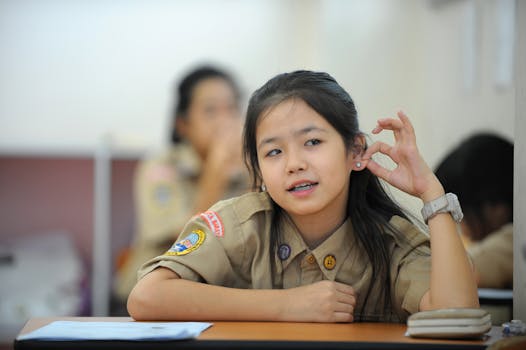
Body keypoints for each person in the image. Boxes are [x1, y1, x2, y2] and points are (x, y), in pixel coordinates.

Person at [127, 70, 479, 323]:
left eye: (312, 142)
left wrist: (432, 195)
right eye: (273, 152)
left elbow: (457, 314)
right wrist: (286, 305)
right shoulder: (239, 225)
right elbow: (146, 297)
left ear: (356, 150)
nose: (294, 164)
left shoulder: (391, 240)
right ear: (258, 167)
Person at [114, 65, 250, 303]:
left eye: (232, 109)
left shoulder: (249, 165)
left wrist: (256, 169)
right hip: (147, 298)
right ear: (183, 124)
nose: (225, 122)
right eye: (210, 111)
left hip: (217, 298)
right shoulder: (160, 167)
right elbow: (187, 239)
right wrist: (215, 172)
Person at [434, 133, 514, 289]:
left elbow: (454, 274)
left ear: (494, 205)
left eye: (461, 213)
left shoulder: (512, 243)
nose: (463, 228)